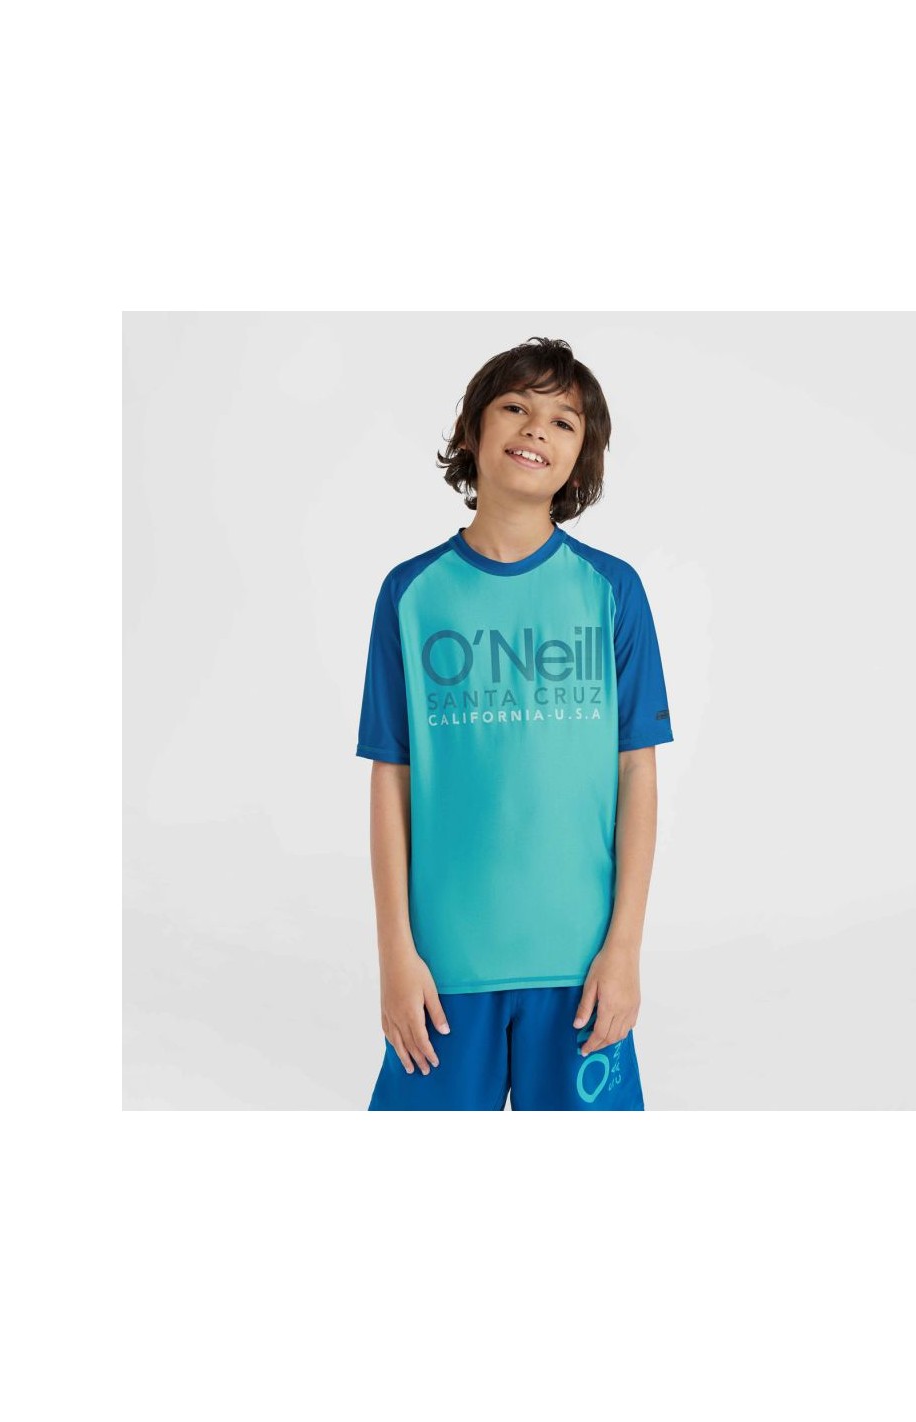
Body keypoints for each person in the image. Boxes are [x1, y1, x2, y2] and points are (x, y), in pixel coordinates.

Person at [355, 336, 674, 1110]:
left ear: (580, 459)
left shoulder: (612, 591)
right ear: (472, 430)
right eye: (515, 408)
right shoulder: (410, 594)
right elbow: (392, 780)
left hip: (581, 970)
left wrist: (624, 950)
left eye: (563, 421)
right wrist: (396, 955)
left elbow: (636, 772)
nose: (536, 429)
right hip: (443, 971)